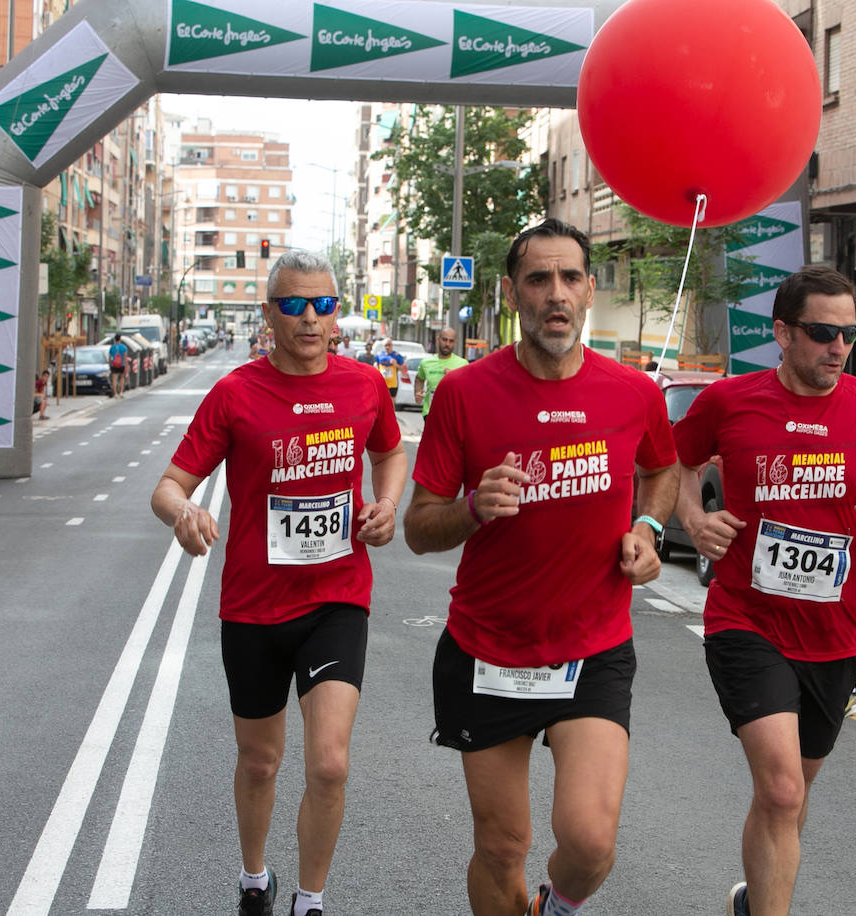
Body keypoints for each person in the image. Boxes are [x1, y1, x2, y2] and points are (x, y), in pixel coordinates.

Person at [404, 218, 679, 916]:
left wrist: (648, 527)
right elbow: (417, 529)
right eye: (538, 279)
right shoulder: (465, 393)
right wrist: (472, 508)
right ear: (512, 293)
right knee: (502, 847)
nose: (555, 293)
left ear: (588, 290)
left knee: (589, 844)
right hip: (487, 650)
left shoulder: (633, 393)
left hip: (592, 649)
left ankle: (553, 908)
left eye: (569, 278)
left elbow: (663, 469)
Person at [670, 265, 856, 916]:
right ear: (782, 332)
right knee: (779, 790)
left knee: (792, 795)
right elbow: (671, 463)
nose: (838, 346)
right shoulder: (729, 401)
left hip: (832, 638)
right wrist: (691, 517)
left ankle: (755, 899)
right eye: (823, 331)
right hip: (746, 621)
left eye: (848, 332)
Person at [151, 250, 407, 916]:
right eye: (294, 305)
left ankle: (310, 899)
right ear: (270, 314)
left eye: (323, 304)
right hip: (254, 608)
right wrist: (184, 512)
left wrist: (386, 502)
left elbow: (390, 449)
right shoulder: (236, 393)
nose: (311, 318)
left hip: (337, 597)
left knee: (328, 762)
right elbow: (169, 484)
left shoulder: (363, 385)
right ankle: (254, 877)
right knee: (260, 760)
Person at [413, 327, 467, 419]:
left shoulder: (463, 364)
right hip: (430, 413)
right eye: (444, 340)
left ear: (455, 343)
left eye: (451, 341)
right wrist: (418, 392)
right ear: (438, 340)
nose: (447, 344)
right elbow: (419, 378)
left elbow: (468, 389)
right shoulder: (426, 363)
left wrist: (453, 378)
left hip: (452, 415)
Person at [108, 333, 130, 397]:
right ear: (120, 339)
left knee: (114, 379)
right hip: (121, 365)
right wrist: (126, 366)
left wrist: (110, 365)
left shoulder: (112, 347)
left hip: (114, 365)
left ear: (115, 339)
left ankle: (115, 393)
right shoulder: (123, 347)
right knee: (122, 378)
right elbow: (125, 357)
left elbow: (109, 357)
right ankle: (121, 392)